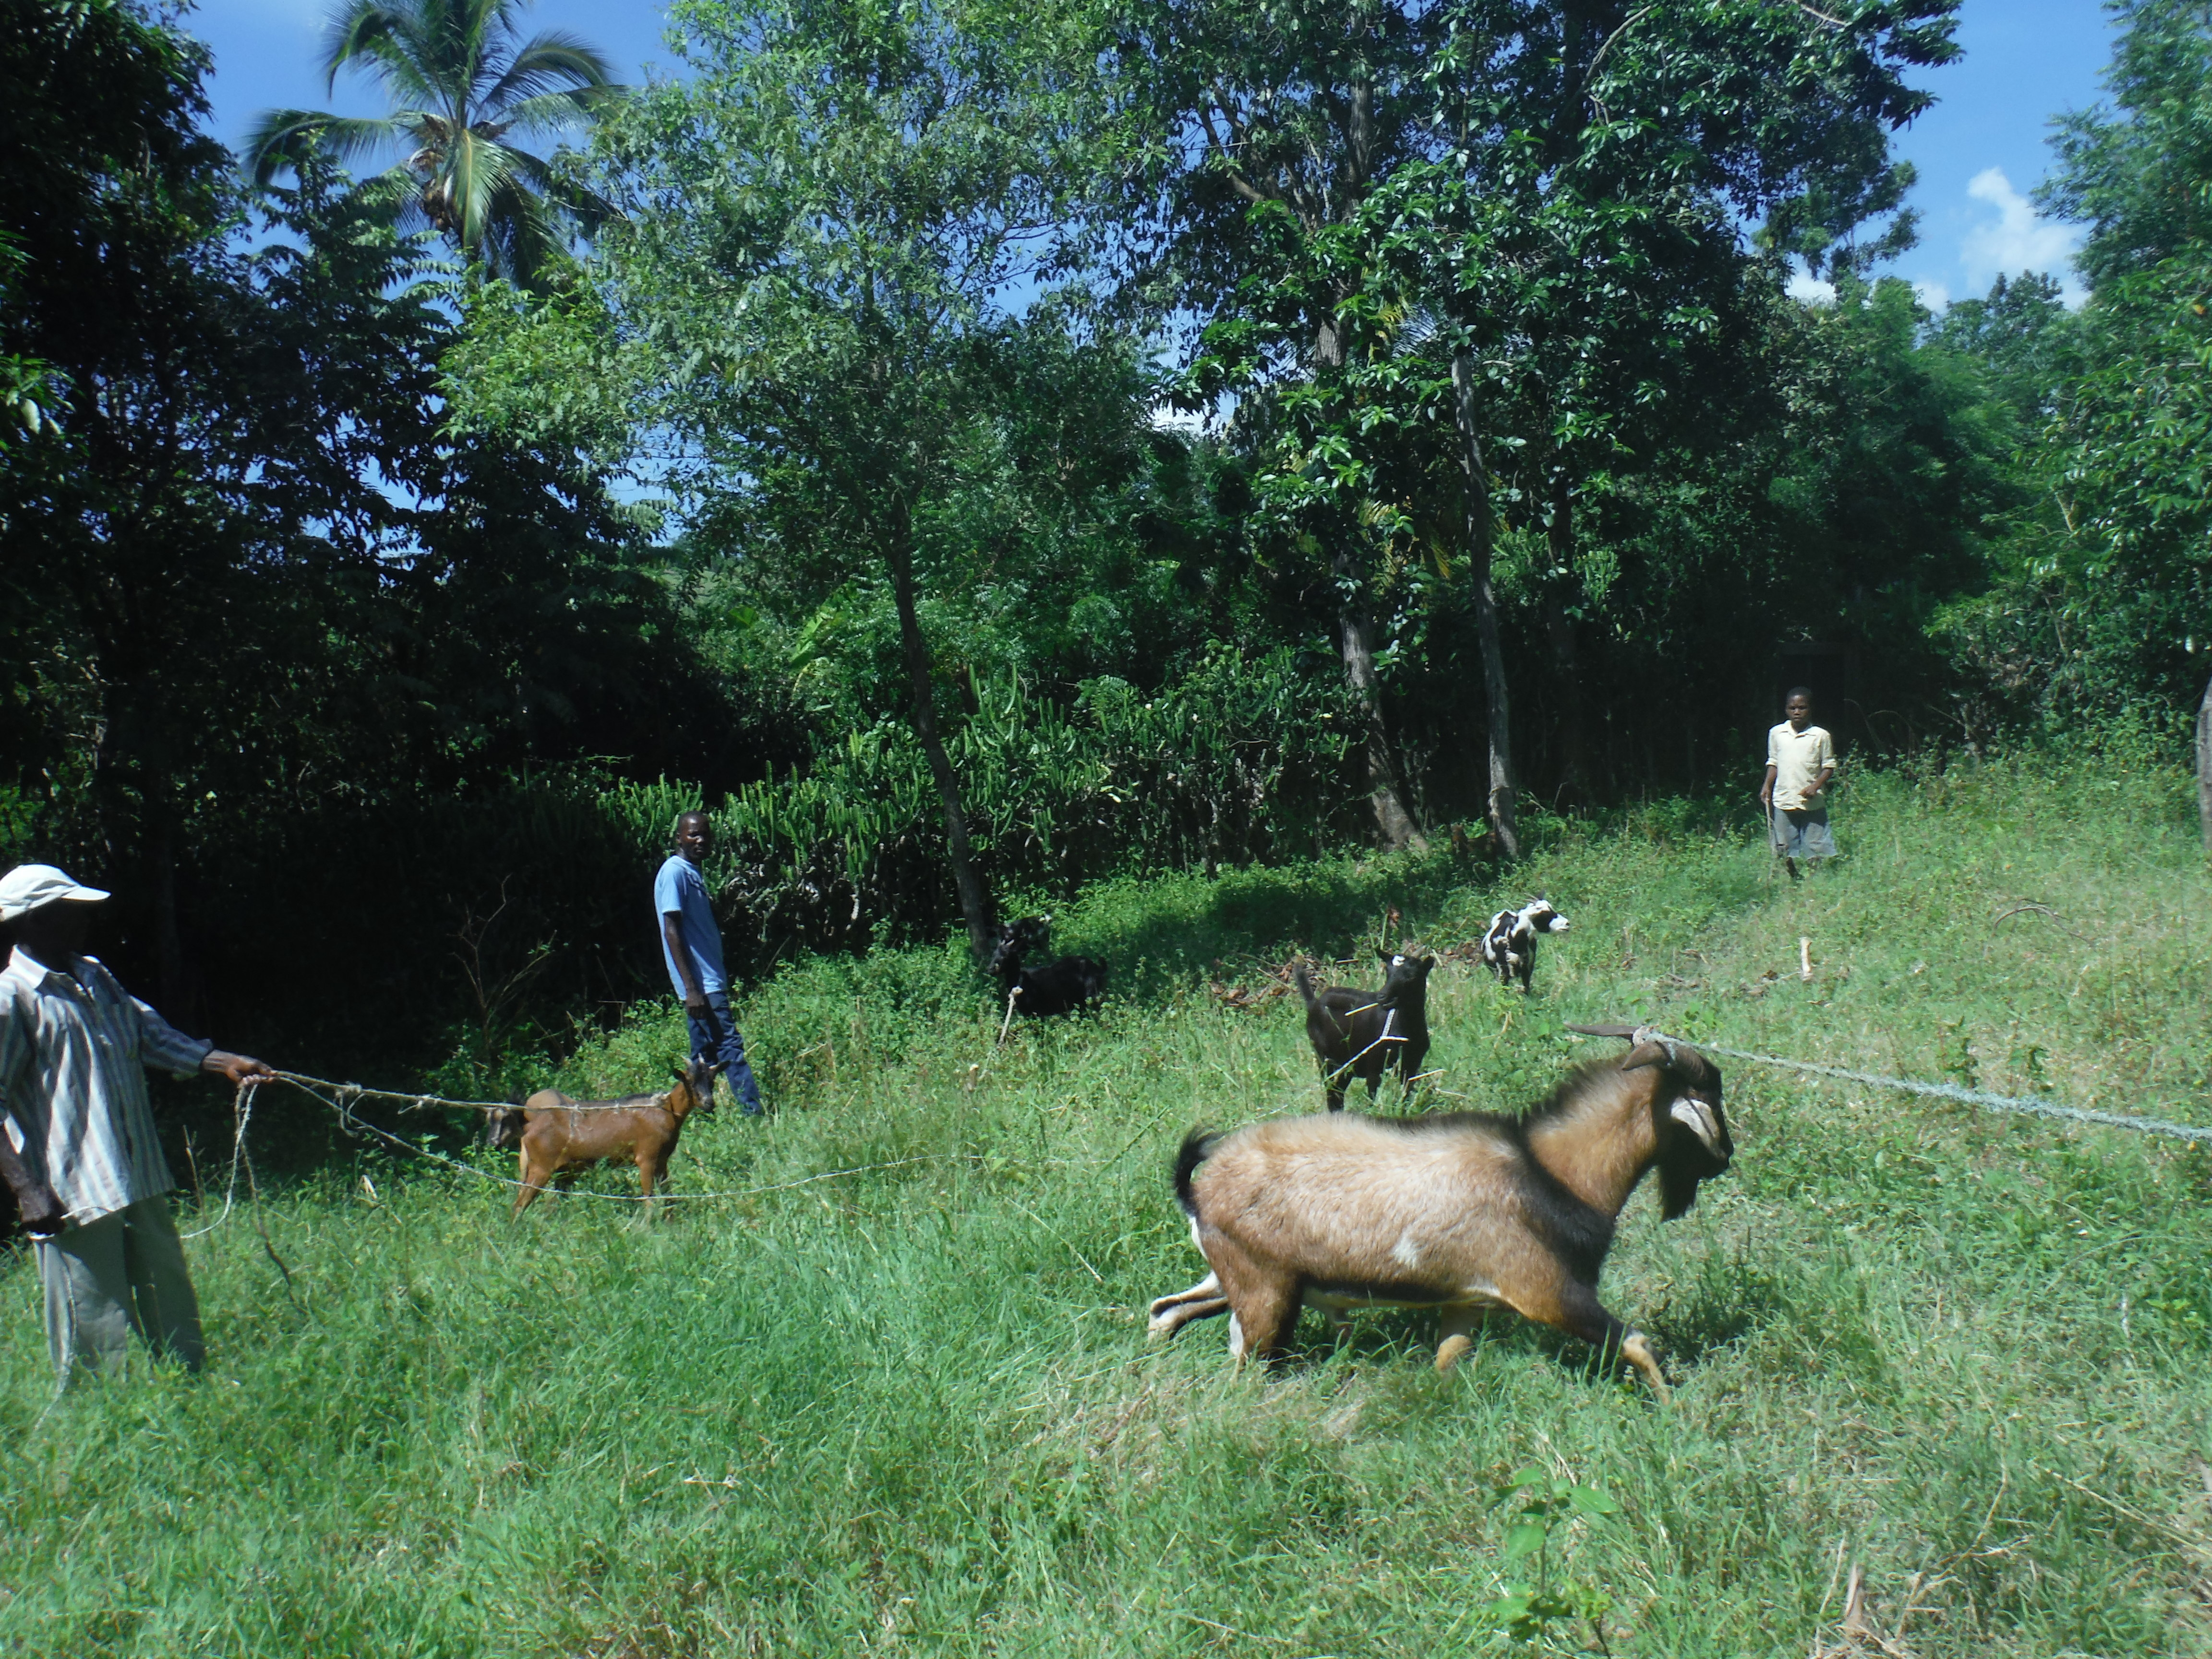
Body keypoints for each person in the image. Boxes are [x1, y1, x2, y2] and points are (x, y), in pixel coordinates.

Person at [0, 863, 275, 1382]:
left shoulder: (94, 976)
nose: (84, 919)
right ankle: (94, 1428)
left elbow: (147, 1034)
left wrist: (220, 1062)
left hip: (136, 1171)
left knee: (170, 1302)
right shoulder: (11, 998)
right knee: (92, 1325)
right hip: (69, 1190)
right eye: (69, 910)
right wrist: (27, 1192)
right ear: (33, 920)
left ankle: (194, 1395)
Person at [655, 812, 763, 1116]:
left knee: (702, 1058)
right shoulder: (674, 872)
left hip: (707, 982)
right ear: (679, 838)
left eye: (705, 835)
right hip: (702, 985)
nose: (701, 840)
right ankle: (753, 1115)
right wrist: (692, 989)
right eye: (693, 835)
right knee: (730, 1047)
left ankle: (699, 1116)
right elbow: (671, 930)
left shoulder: (691, 872)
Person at [1759, 686, 1838, 880]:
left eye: (1802, 708)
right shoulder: (1777, 733)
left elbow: (1829, 767)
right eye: (1792, 708)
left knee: (1816, 844)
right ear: (1786, 710)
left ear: (1810, 709)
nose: (1797, 712)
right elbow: (1774, 763)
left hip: (1812, 802)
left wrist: (1815, 786)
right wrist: (1767, 785)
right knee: (1784, 844)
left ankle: (1813, 879)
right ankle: (1794, 875)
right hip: (1784, 798)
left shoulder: (1821, 736)